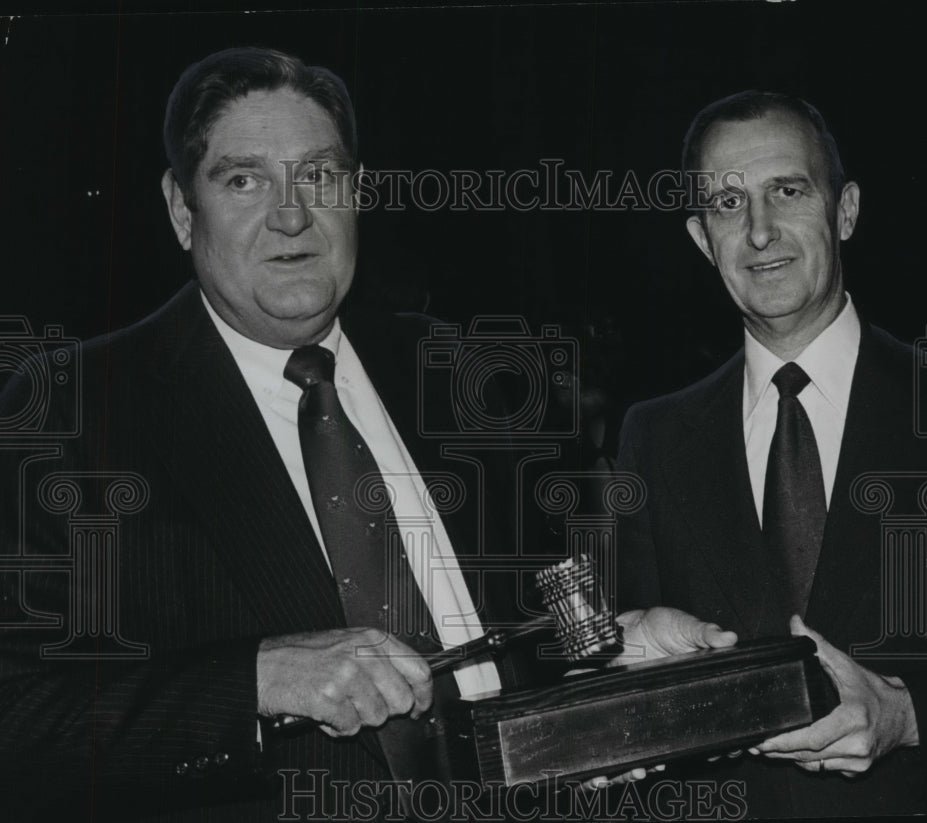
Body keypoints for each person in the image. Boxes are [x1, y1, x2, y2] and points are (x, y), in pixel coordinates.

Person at [0, 46, 567, 822]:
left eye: (321, 176)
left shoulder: (455, 371)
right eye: (244, 179)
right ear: (179, 207)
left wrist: (621, 644)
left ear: (358, 194)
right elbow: (19, 715)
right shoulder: (72, 408)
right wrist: (255, 680)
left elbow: (538, 636)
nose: (293, 213)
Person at [615, 90, 927, 818]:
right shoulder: (654, 437)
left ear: (845, 210)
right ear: (702, 239)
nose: (760, 232)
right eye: (728, 204)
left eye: (787, 191)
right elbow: (630, 672)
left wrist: (909, 714)